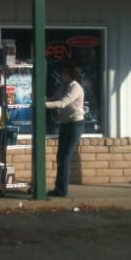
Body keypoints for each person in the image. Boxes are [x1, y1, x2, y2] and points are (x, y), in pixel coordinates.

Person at [45, 62, 85, 197]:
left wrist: (43, 104)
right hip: (65, 123)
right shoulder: (63, 86)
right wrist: (42, 99)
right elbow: (54, 99)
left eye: (64, 72)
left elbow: (62, 103)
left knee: (65, 156)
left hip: (75, 123)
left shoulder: (75, 87)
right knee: (60, 156)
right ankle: (58, 188)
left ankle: (62, 190)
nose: (61, 74)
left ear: (70, 74)